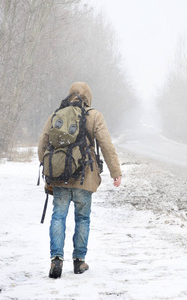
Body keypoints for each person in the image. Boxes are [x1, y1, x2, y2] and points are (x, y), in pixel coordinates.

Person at [38, 82, 122, 278]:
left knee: (58, 216)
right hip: (85, 177)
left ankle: (56, 260)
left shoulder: (56, 115)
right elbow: (106, 145)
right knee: (82, 218)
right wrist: (115, 171)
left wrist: (50, 169)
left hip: (59, 178)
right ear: (88, 97)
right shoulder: (94, 116)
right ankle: (79, 261)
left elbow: (42, 144)